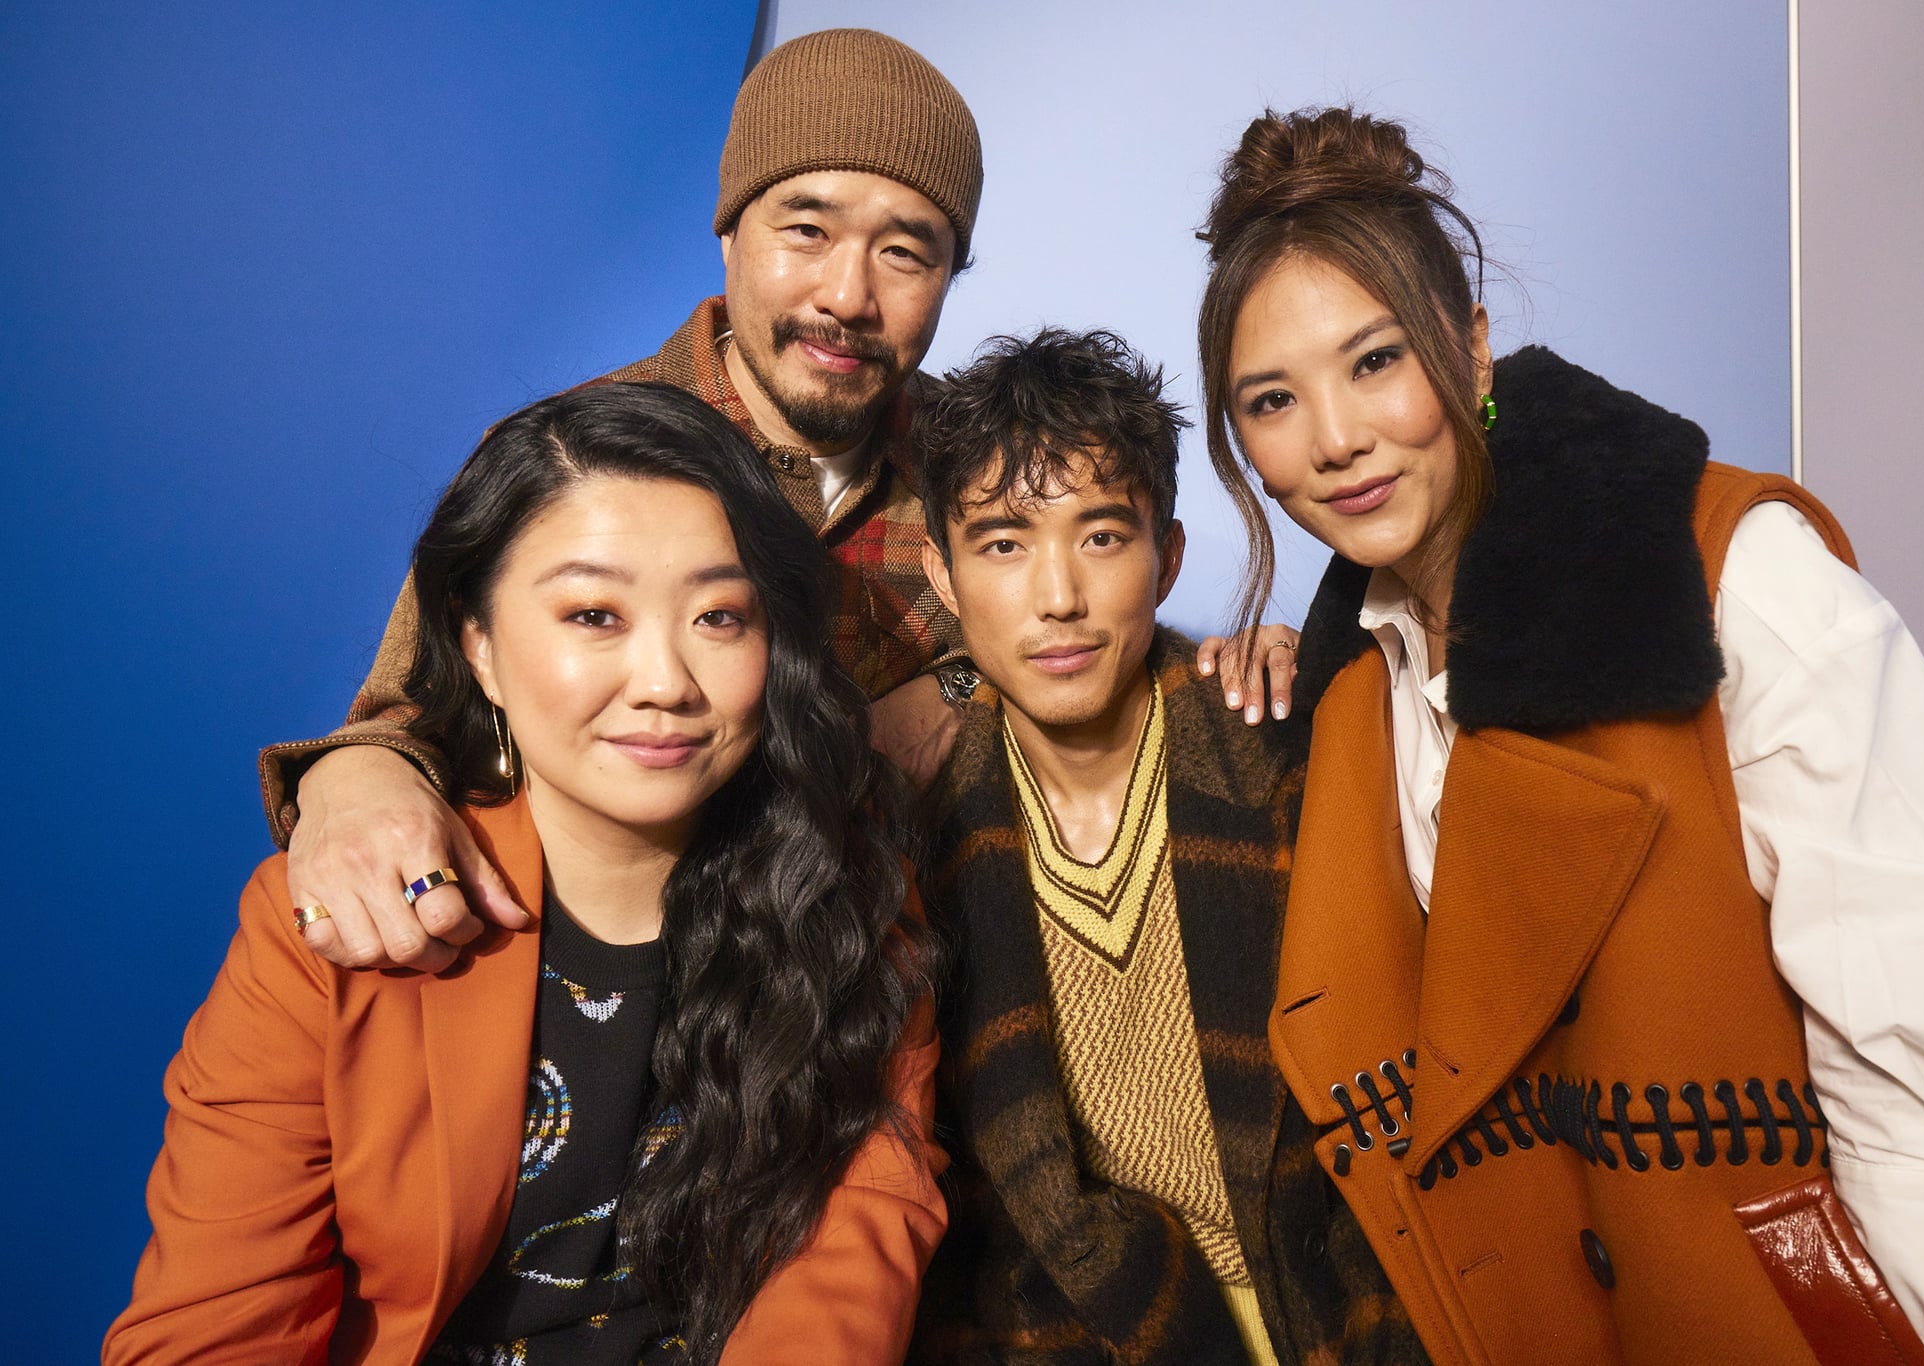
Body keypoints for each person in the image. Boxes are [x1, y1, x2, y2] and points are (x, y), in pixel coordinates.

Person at [1193, 106, 1924, 1366]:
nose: (1333, 439)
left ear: (1471, 347)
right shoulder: (1348, 694)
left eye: (1374, 360)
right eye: (1272, 400)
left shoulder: (1723, 571)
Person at [107, 383, 944, 1365]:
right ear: (479, 646)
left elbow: (855, 1250)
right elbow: (212, 1328)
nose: (665, 680)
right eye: (594, 614)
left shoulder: (847, 893)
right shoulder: (335, 921)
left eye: (719, 617)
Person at [264, 27, 988, 975]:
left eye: (905, 252)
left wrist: (961, 687)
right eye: (806, 230)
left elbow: (1096, 644)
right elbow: (407, 718)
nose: (847, 295)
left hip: (871, 996)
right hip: (585, 988)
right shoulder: (569, 462)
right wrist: (350, 782)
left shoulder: (985, 469)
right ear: (730, 230)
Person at [902, 329, 1425, 1366]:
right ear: (945, 576)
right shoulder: (922, 830)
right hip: (1087, 1326)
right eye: (1003, 544)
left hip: (1343, 1301)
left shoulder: (1279, 746)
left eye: (1100, 536)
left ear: (1167, 555)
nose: (1057, 596)